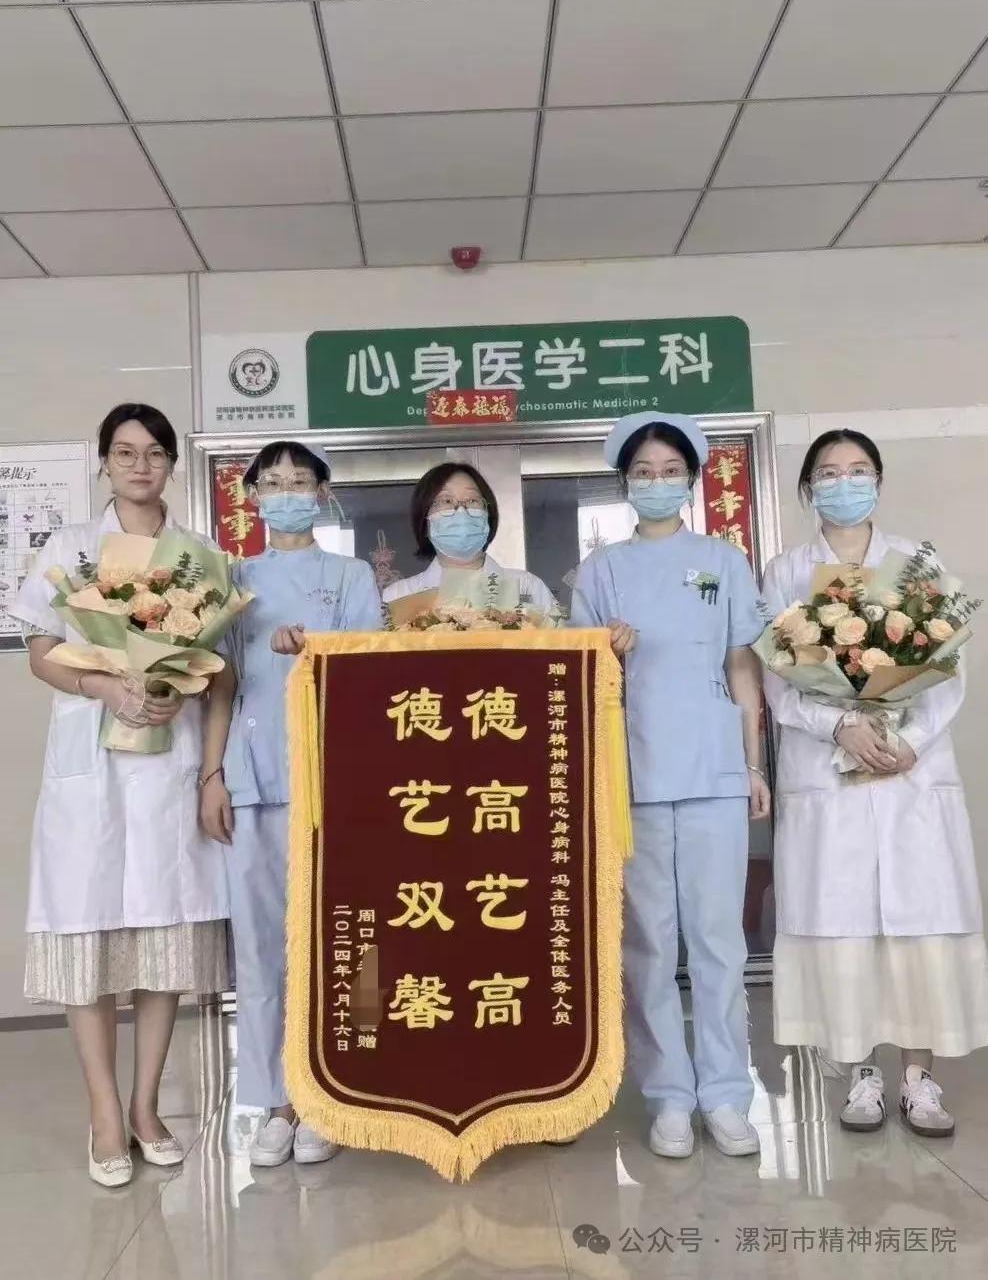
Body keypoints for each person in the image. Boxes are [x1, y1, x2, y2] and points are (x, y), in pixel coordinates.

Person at [11, 403, 230, 1189]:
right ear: (104, 461)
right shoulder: (68, 548)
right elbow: (41, 650)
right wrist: (106, 686)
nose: (141, 465)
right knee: (89, 933)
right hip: (92, 763)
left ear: (172, 463)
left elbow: (220, 671)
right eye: (126, 452)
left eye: (155, 452)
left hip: (169, 762)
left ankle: (146, 1105)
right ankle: (104, 1111)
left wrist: (185, 715)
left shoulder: (200, 556)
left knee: (162, 937)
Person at [762, 429, 988, 1137]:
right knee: (845, 927)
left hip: (909, 773)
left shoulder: (915, 562)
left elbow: (946, 672)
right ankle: (860, 1072)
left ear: (879, 481)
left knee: (916, 929)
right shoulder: (786, 571)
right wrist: (839, 726)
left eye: (858, 470)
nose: (845, 483)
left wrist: (905, 739)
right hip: (827, 771)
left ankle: (919, 1079)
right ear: (809, 489)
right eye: (829, 473)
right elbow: (778, 679)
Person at [569, 412, 770, 1160]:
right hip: (633, 774)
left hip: (715, 766)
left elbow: (742, 665)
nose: (657, 482)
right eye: (643, 472)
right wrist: (607, 654)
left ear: (692, 479)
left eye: (669, 471)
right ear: (625, 483)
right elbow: (578, 678)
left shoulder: (723, 558)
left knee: (718, 937)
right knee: (649, 942)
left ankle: (726, 1092)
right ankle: (669, 1096)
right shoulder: (600, 571)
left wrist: (753, 763)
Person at [200, 440, 381, 1168]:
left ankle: (339, 1091)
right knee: (262, 944)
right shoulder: (232, 579)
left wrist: (318, 652)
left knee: (345, 939)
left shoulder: (351, 576)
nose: (287, 493)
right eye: (272, 483)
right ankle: (278, 1101)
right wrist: (212, 775)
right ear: (252, 498)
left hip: (339, 777)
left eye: (300, 481)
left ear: (323, 493)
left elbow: (376, 673)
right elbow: (220, 685)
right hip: (255, 776)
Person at [382, 461, 557, 617]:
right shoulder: (398, 596)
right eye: (446, 501)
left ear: (488, 516)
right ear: (424, 521)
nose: (461, 510)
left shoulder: (527, 587)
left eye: (472, 500)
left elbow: (561, 641)